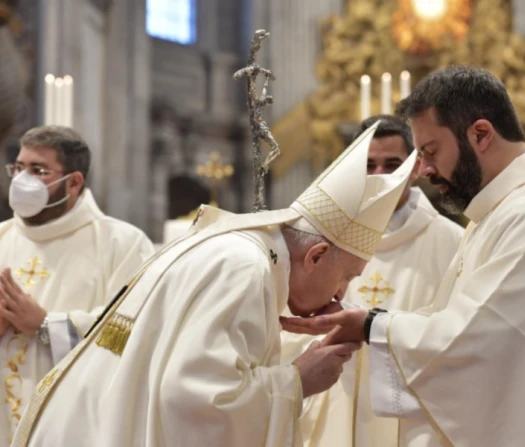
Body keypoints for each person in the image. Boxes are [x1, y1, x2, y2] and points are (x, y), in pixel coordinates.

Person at [281, 66, 525, 446]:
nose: (422, 170)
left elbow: (476, 343)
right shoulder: (501, 213)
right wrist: (367, 322)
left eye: (430, 151)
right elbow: (461, 323)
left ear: (481, 134)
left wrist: (372, 326)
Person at [12, 121, 418, 447]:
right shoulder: (245, 268)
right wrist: (296, 381)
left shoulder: (243, 253)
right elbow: (192, 398)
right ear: (315, 256)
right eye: (347, 275)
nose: (341, 293)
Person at [282, 115, 464, 446]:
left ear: (414, 167)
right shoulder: (320, 239)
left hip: (411, 412)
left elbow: (461, 333)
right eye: (369, 165)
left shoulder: (454, 243)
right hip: (335, 397)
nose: (380, 175)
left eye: (392, 164)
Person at [0, 125, 154, 445]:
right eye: (18, 168)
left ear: (73, 182)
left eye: (38, 170)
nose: (21, 180)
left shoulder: (122, 244)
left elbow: (133, 334)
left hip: (75, 427)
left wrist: (45, 325)